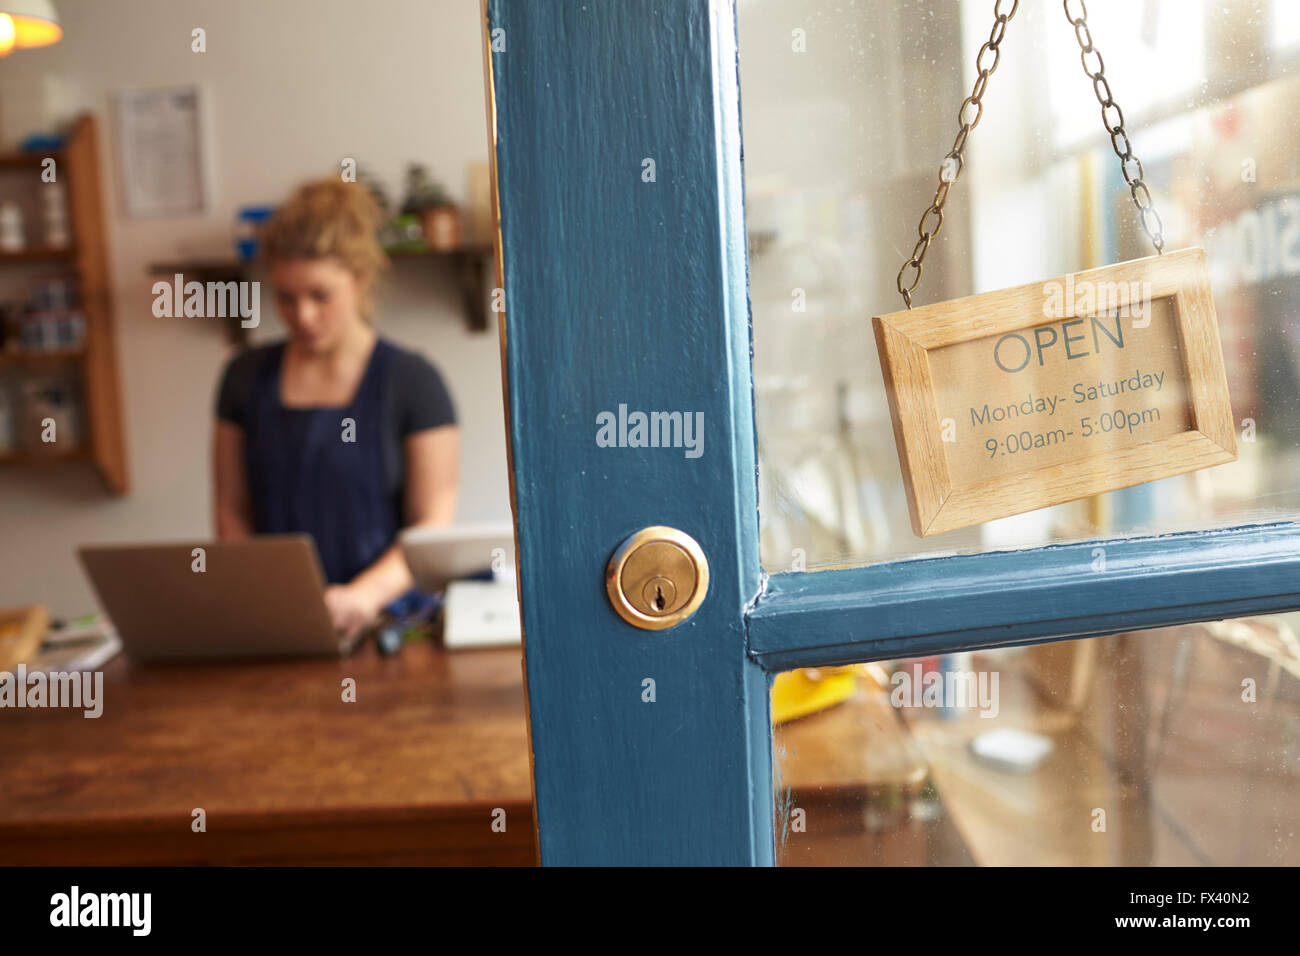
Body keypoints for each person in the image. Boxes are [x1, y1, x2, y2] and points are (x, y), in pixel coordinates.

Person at [212, 179, 459, 640]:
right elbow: (232, 512)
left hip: (393, 627)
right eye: (285, 297)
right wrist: (279, 605)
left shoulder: (414, 381)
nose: (302, 315)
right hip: (278, 627)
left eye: (319, 296)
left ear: (360, 280)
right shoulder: (243, 378)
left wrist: (362, 597)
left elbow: (432, 522)